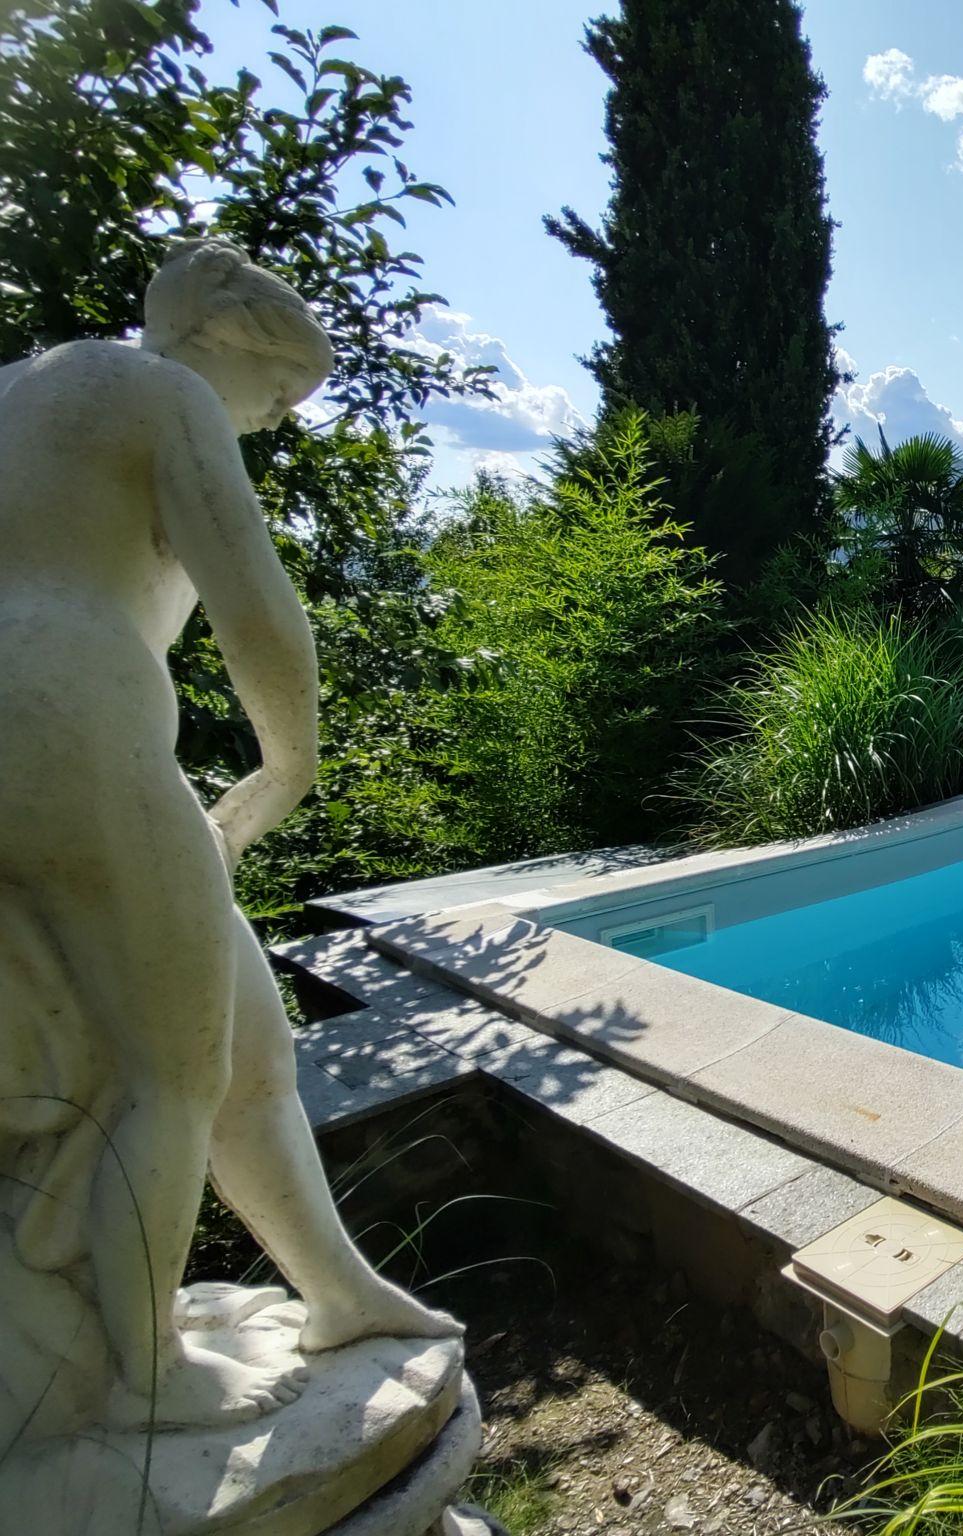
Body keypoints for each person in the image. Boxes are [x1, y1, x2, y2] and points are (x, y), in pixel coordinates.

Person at [0, 240, 458, 1432]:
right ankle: (150, 1377)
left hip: (35, 748)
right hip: (67, 723)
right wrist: (285, 769)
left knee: (246, 1043)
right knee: (170, 1075)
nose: (270, 423)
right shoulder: (163, 391)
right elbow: (260, 611)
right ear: (229, 347)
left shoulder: (22, 388)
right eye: (279, 396)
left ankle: (339, 1291)